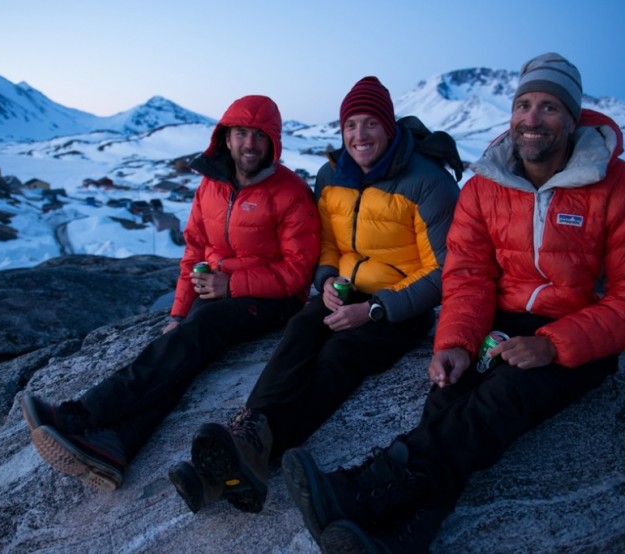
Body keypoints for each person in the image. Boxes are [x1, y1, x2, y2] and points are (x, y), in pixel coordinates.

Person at [281, 53, 625, 552]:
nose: (532, 119)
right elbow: (467, 273)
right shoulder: (486, 186)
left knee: (500, 398)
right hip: (500, 316)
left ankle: (361, 489)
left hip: (576, 329)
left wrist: (553, 345)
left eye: (549, 107)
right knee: (448, 394)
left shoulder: (621, 187)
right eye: (524, 105)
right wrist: (458, 341)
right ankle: (400, 536)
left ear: (572, 119)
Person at [169, 76, 462, 514]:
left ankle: (240, 462)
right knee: (299, 334)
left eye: (369, 125)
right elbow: (327, 244)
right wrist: (325, 279)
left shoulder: (427, 182)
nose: (359, 136)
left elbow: (444, 271)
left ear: (389, 127)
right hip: (339, 293)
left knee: (338, 358)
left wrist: (375, 309)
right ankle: (245, 441)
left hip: (397, 306)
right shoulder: (332, 174)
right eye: (350, 126)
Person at [18, 95, 321, 491]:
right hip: (215, 290)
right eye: (241, 133)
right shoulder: (210, 185)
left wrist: (231, 285)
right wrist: (177, 314)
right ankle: (116, 446)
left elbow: (298, 273)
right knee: (182, 352)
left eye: (260, 136)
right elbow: (194, 250)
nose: (250, 144)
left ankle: (84, 413)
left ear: (273, 143)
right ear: (225, 138)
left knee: (201, 330)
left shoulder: (290, 191)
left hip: (271, 300)